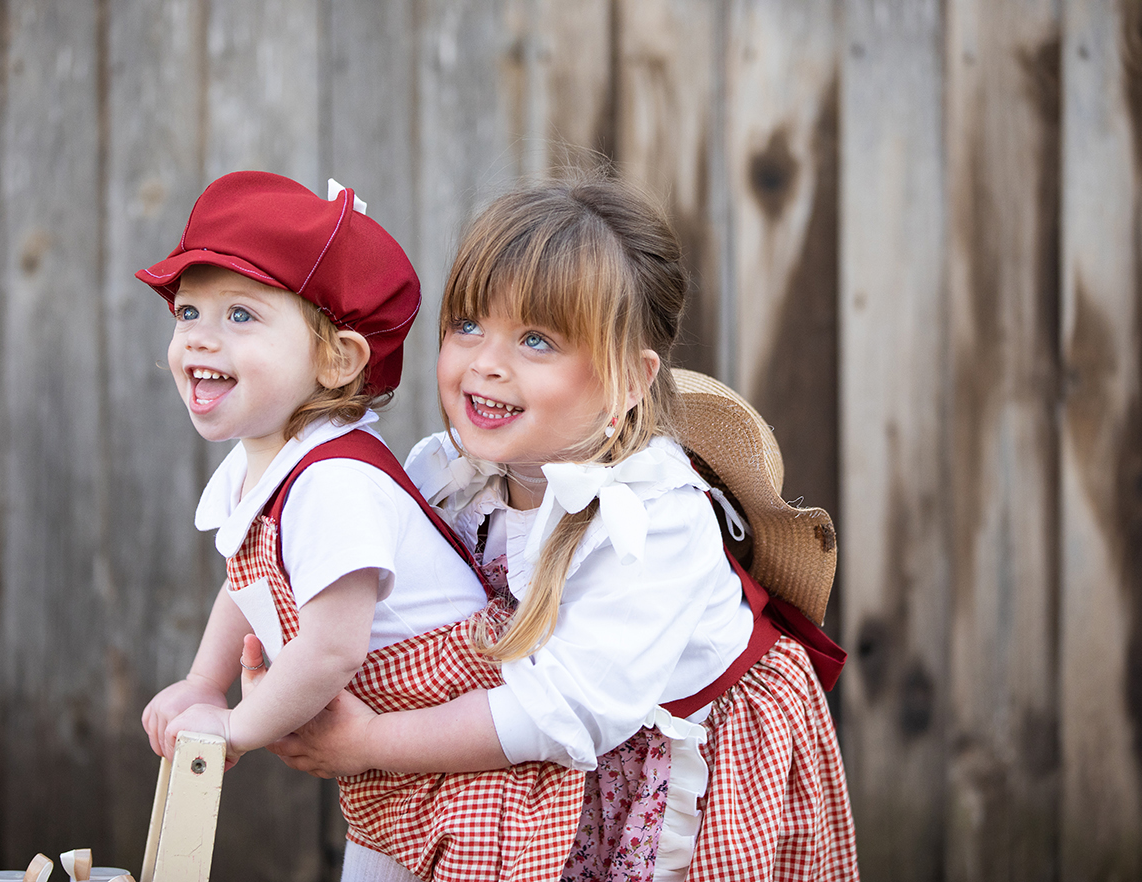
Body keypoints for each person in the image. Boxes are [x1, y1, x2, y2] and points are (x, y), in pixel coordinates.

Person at [271, 177, 859, 881]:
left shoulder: (649, 518)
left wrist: (366, 740)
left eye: (536, 340)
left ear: (627, 379)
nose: (485, 362)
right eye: (466, 325)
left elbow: (569, 709)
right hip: (532, 748)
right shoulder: (449, 476)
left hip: (673, 759)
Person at [135, 170, 494, 779]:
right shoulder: (274, 462)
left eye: (240, 315)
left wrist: (236, 730)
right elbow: (248, 582)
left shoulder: (335, 481)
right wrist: (204, 683)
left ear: (336, 360)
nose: (198, 337)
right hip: (396, 744)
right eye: (189, 310)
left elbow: (332, 646)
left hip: (460, 742)